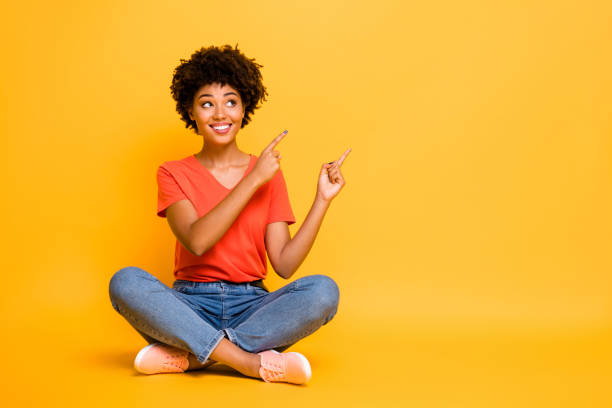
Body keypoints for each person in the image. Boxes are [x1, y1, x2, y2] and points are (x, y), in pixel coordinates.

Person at [108, 44, 351, 385]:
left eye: (231, 101)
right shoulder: (173, 172)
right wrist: (253, 180)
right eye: (207, 103)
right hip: (189, 303)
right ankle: (249, 363)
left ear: (244, 108)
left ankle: (195, 357)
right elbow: (197, 240)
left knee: (324, 292)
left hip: (252, 304)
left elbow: (284, 264)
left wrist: (323, 199)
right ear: (191, 111)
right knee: (126, 282)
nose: (220, 113)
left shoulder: (267, 174)